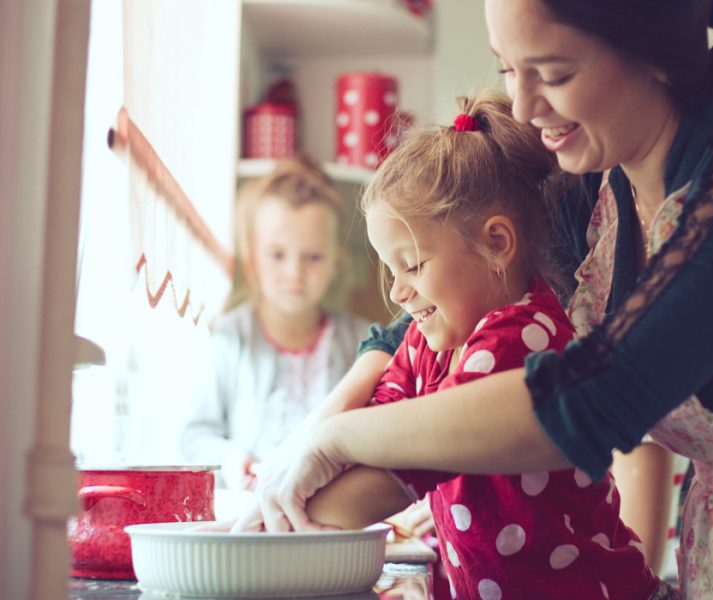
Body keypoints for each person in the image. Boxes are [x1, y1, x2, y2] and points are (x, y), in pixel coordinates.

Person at [241, 0, 713, 596]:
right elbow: (417, 326)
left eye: (552, 74)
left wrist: (338, 438)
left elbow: (588, 400)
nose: (524, 107)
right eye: (508, 69)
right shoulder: (593, 193)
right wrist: (304, 456)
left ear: (653, 55)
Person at [247, 93, 671, 600]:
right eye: (390, 268)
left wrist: (284, 519)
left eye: (414, 265)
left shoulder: (522, 337)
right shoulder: (434, 336)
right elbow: (384, 410)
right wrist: (291, 485)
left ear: (496, 244)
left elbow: (405, 462)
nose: (397, 293)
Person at [181, 155, 369, 489]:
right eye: (277, 255)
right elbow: (196, 433)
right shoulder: (230, 337)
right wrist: (233, 461)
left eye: (312, 257)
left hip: (334, 511)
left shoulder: (363, 342)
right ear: (252, 260)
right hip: (250, 509)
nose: (294, 273)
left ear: (335, 263)